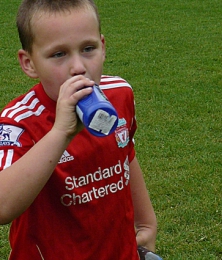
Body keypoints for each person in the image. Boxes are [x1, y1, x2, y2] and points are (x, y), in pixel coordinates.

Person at [0, 0, 157, 259]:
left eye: (88, 48)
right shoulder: (20, 121)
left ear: (103, 47)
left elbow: (125, 152)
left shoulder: (119, 94)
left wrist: (146, 223)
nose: (78, 67)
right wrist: (60, 133)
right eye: (58, 54)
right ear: (29, 63)